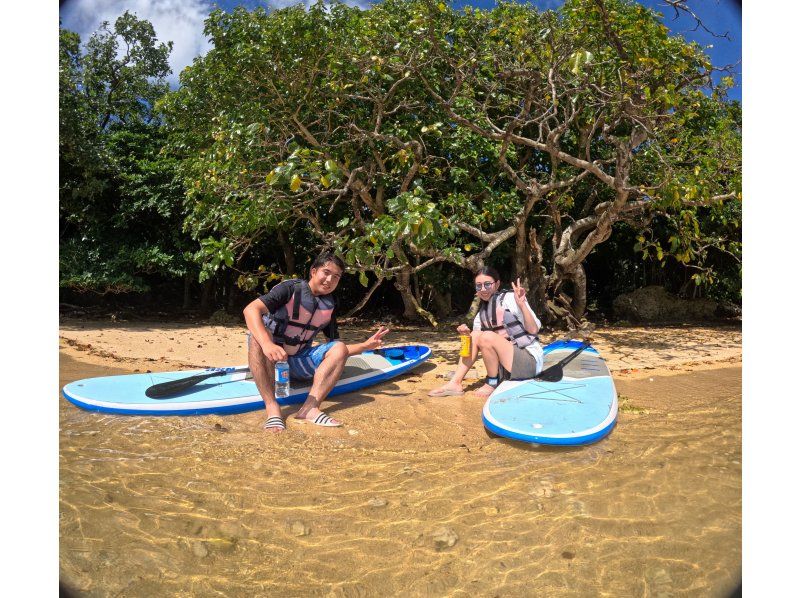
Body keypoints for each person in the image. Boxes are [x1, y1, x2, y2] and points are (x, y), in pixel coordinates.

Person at [243, 251, 390, 433]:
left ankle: (310, 408)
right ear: (313, 272)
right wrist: (267, 344)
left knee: (339, 347)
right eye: (326, 272)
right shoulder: (289, 290)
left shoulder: (329, 305)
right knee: (256, 337)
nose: (330, 280)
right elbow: (250, 310)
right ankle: (273, 410)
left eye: (336, 277)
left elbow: (337, 351)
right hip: (271, 362)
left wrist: (365, 346)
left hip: (297, 364)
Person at [428, 266, 543, 398]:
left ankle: (491, 382)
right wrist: (465, 337)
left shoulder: (511, 299)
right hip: (505, 368)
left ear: (497, 284)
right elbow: (469, 349)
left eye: (487, 284)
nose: (483, 289)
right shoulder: (480, 315)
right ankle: (455, 383)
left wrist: (522, 304)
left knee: (487, 336)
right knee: (474, 336)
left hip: (528, 364)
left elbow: (534, 330)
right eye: (479, 286)